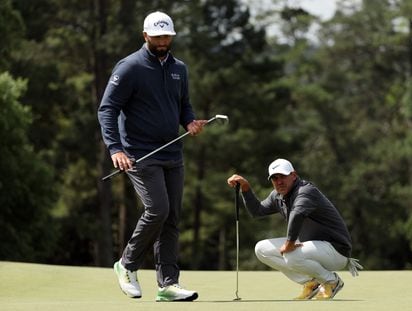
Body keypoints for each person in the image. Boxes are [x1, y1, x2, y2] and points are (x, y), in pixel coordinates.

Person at [97, 11, 207, 302]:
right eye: (157, 36)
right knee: (158, 209)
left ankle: (168, 284)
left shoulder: (179, 69)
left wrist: (190, 122)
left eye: (166, 36)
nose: (162, 41)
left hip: (173, 152)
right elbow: (107, 109)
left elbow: (184, 105)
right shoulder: (130, 67)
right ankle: (127, 264)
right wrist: (115, 148)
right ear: (145, 36)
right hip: (139, 153)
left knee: (171, 217)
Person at [227, 158, 362, 300]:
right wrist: (245, 188)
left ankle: (331, 281)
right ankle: (311, 283)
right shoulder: (277, 196)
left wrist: (290, 243)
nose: (279, 182)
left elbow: (298, 213)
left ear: (294, 175)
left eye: (283, 177)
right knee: (261, 249)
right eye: (274, 178)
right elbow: (257, 211)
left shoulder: (306, 191)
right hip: (313, 247)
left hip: (336, 250)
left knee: (291, 255)